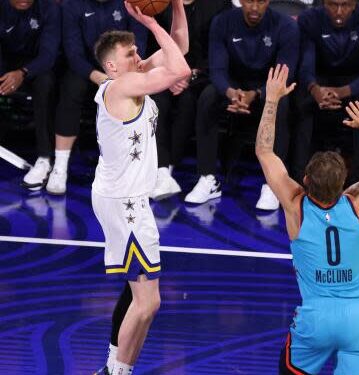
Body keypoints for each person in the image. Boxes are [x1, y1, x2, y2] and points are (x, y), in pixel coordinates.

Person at [91, 1, 190, 374]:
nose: (138, 57)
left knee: (141, 298)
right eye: (130, 53)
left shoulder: (131, 76)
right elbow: (179, 68)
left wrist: (176, 4)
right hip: (124, 203)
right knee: (148, 303)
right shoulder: (121, 85)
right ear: (111, 66)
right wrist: (150, 20)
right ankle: (116, 370)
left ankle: (118, 368)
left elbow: (178, 48)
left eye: (137, 51)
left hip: (126, 198)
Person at [255, 64, 359, 374]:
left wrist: (271, 100)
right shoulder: (358, 202)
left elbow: (265, 152)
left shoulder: (297, 206)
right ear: (345, 182)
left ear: (305, 180)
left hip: (315, 318)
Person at [184, 0, 299, 210]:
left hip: (267, 88)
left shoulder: (285, 26)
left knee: (282, 104)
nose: (254, 8)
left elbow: (285, 73)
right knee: (207, 97)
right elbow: (217, 70)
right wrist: (230, 93)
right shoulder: (222, 21)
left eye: (261, 2)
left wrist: (256, 94)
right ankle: (207, 177)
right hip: (233, 87)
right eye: (249, 1)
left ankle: (273, 184)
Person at [45, 0, 148, 195]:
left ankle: (133, 170)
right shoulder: (71, 6)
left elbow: (138, 44)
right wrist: (101, 78)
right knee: (70, 89)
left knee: (138, 94)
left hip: (124, 67)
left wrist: (121, 75)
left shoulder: (130, 4)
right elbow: (73, 52)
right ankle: (60, 166)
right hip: (87, 68)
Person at [149, 0, 231, 200]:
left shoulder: (219, 5)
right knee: (157, 101)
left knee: (189, 103)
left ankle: (170, 167)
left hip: (203, 75)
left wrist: (192, 73)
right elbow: (153, 46)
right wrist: (169, 74)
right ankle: (161, 171)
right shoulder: (158, 5)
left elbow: (220, 50)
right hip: (166, 72)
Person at [292, 0, 359, 186]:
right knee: (301, 101)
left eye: (345, 5)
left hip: (355, 83)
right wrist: (314, 89)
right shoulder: (309, 19)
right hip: (320, 82)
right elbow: (305, 65)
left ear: (355, 4)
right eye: (332, 4)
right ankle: (299, 180)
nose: (338, 11)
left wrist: (340, 92)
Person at [0, 0, 61, 191]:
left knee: (46, 83)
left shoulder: (49, 8)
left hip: (36, 67)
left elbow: (48, 54)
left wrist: (23, 72)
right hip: (5, 65)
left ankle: (44, 158)